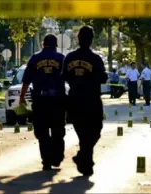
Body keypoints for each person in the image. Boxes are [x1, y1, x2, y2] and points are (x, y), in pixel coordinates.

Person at [62, 26, 108, 176]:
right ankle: (84, 161)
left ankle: (84, 160)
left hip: (75, 100)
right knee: (95, 131)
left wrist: (76, 81)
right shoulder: (95, 59)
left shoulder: (70, 57)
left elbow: (64, 76)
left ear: (78, 39)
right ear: (91, 39)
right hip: (91, 100)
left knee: (83, 133)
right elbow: (103, 78)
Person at [19, 34, 66, 171]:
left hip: (40, 101)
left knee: (42, 132)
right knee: (58, 131)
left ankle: (46, 161)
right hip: (57, 101)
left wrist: (22, 96)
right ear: (56, 45)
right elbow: (69, 79)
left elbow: (26, 80)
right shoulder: (61, 59)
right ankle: (57, 158)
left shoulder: (35, 59)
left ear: (42, 44)